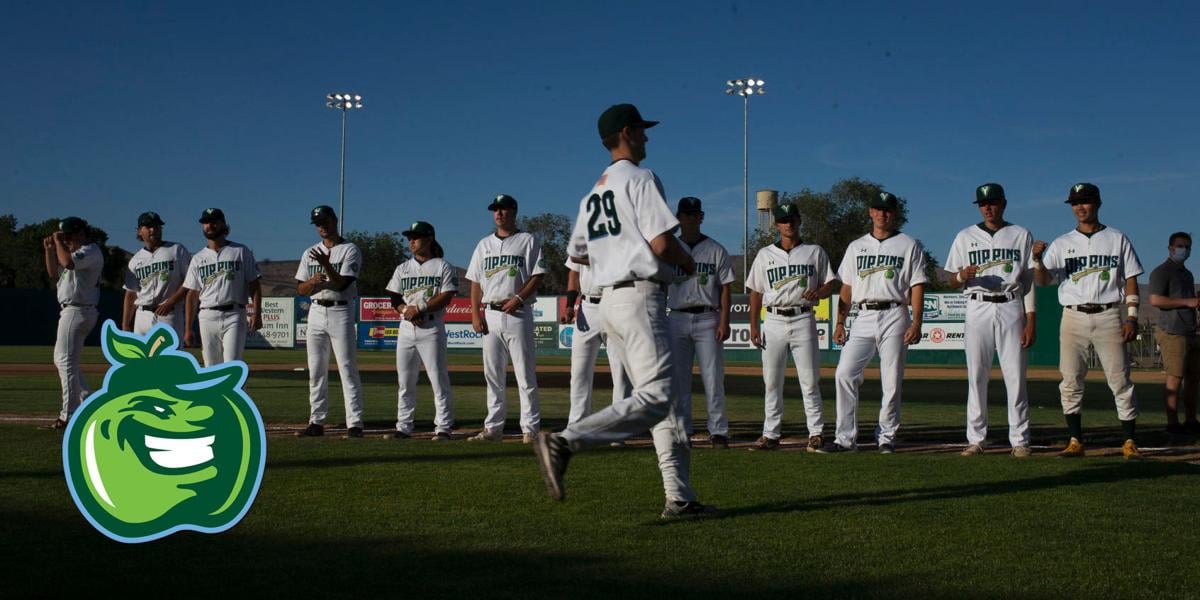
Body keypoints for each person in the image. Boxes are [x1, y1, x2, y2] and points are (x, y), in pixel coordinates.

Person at [533, 103, 715, 519]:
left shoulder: (593, 193)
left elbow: (578, 253)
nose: (647, 136)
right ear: (628, 133)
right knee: (658, 397)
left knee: (668, 402)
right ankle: (565, 442)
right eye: (642, 130)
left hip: (610, 301)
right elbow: (662, 243)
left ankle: (680, 498)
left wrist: (616, 252)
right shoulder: (641, 177)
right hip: (639, 298)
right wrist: (687, 262)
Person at [1032, 182, 1144, 459]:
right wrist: (1037, 260)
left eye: (1085, 201)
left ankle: (1129, 441)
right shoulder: (1062, 242)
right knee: (1070, 380)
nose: (1079, 207)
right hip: (1073, 315)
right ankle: (1075, 440)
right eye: (1074, 203)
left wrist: (1131, 317)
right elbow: (1043, 281)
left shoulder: (1117, 238)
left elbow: (1131, 278)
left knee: (1120, 380)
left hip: (1108, 313)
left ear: (1098, 203)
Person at [831, 192, 928, 453]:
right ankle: (845, 439)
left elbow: (917, 286)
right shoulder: (856, 246)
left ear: (894, 213)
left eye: (887, 210)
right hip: (863, 315)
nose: (882, 214)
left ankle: (886, 437)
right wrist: (840, 322)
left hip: (895, 313)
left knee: (892, 380)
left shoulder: (909, 244)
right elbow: (847, 288)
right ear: (870, 212)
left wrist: (916, 322)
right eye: (877, 209)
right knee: (844, 373)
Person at [945, 183, 1036, 458]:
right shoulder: (965, 236)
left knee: (1015, 375)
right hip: (978, 305)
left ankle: (1020, 440)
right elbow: (951, 280)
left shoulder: (1021, 234)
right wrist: (961, 276)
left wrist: (1031, 319)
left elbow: (1029, 282)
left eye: (992, 202)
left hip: (1010, 304)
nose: (987, 207)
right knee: (977, 375)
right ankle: (976, 439)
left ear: (1003, 204)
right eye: (983, 204)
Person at [746, 202, 837, 452]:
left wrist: (819, 292)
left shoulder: (814, 252)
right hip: (773, 319)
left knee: (809, 380)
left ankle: (816, 433)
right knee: (771, 382)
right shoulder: (765, 254)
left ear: (799, 221)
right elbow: (755, 292)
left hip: (803, 317)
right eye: (784, 220)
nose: (789, 224)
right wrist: (753, 325)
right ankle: (770, 434)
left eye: (792, 219)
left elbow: (830, 283)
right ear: (776, 224)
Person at [466, 194, 545, 443]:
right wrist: (475, 313)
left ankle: (530, 429)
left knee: (525, 374)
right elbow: (475, 282)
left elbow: (537, 275)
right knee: (493, 376)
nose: (498, 213)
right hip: (490, 313)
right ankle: (493, 428)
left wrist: (519, 298)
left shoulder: (528, 240)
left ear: (514, 211)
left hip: (518, 313)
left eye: (503, 209)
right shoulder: (483, 245)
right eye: (495, 210)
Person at [666, 196, 735, 448]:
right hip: (676, 316)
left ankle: (718, 430)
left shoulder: (715, 249)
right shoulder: (669, 249)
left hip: (708, 316)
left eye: (695, 214)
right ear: (678, 218)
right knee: (679, 379)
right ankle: (682, 428)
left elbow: (726, 287)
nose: (691, 218)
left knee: (713, 377)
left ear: (701, 217)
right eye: (687, 214)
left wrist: (724, 321)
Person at [294, 205, 366, 439]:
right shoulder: (309, 252)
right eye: (317, 223)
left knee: (347, 368)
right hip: (316, 310)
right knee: (316, 370)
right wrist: (312, 281)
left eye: (325, 221)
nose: (322, 226)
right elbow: (301, 289)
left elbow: (343, 284)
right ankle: (316, 421)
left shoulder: (350, 249)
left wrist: (326, 265)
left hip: (340, 310)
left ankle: (354, 423)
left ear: (335, 220)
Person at [385, 221, 458, 441]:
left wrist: (420, 308)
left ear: (429, 239)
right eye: (409, 238)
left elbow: (446, 296)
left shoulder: (443, 266)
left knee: (438, 379)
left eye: (415, 237)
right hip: (407, 328)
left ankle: (443, 427)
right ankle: (403, 426)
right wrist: (406, 310)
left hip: (431, 327)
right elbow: (394, 297)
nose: (411, 241)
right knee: (405, 381)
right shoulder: (403, 268)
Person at [182, 208, 263, 367]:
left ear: (223, 224)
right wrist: (188, 328)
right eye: (206, 222)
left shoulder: (240, 251)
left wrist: (257, 313)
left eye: (214, 222)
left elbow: (254, 284)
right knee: (211, 367)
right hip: (207, 315)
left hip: (234, 313)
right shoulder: (197, 258)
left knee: (232, 364)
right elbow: (192, 294)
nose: (209, 225)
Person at [45, 216, 102, 429]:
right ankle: (87, 400)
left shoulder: (90, 250)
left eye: (68, 235)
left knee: (65, 361)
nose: (65, 239)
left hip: (78, 309)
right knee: (63, 360)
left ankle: (68, 414)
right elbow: (53, 272)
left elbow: (68, 263)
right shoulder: (71, 252)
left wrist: (58, 242)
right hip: (72, 310)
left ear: (80, 233)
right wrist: (50, 250)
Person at [561, 255, 630, 426]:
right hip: (587, 306)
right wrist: (570, 305)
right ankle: (577, 423)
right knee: (579, 371)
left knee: (620, 372)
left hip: (614, 303)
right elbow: (574, 273)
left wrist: (585, 259)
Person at [1147, 232, 1200, 435]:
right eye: (1180, 246)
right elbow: (1155, 300)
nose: (1184, 250)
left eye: (1187, 247)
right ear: (1170, 248)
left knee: (1193, 379)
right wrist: (1187, 302)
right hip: (1172, 332)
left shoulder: (1187, 274)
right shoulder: (1161, 272)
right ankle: (1172, 423)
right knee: (1175, 377)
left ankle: (1191, 419)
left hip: (1190, 331)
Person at [121, 211, 191, 337]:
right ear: (139, 231)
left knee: (170, 350)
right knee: (142, 351)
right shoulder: (135, 259)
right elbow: (130, 294)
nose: (153, 229)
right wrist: (125, 324)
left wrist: (171, 302)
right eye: (148, 226)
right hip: (142, 316)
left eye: (157, 226)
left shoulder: (176, 250)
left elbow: (189, 282)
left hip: (169, 314)